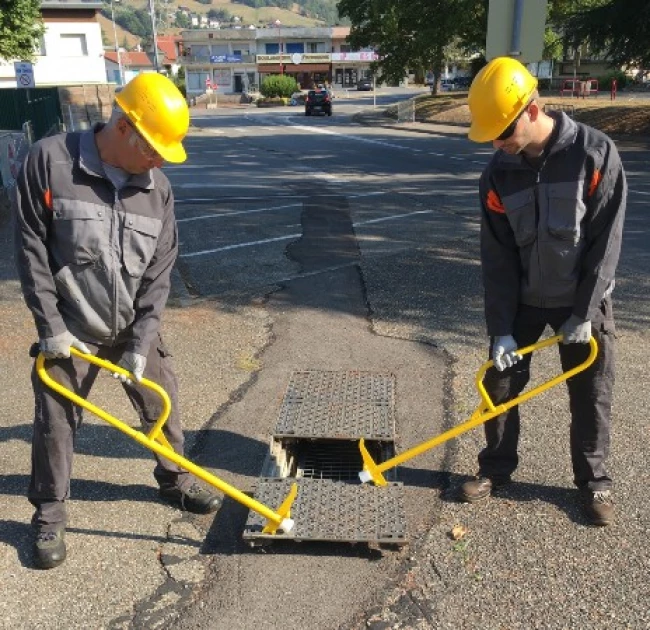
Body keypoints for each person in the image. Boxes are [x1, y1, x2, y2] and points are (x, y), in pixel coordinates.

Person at [13, 73, 221, 570]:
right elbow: (31, 252)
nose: (159, 160)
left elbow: (159, 274)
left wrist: (141, 342)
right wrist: (51, 330)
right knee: (55, 420)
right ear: (125, 126)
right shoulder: (50, 162)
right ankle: (49, 514)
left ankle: (176, 479)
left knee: (161, 400)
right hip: (70, 324)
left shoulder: (158, 189)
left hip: (130, 325)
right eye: (153, 148)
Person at [460, 57, 626, 527]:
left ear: (531, 110)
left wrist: (585, 312)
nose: (498, 143)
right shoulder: (498, 172)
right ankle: (494, 469)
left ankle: (594, 483)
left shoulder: (595, 154)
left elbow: (605, 243)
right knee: (500, 385)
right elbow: (496, 257)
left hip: (583, 302)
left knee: (591, 392)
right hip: (523, 303)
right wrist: (501, 331)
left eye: (503, 132)